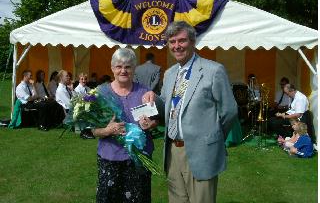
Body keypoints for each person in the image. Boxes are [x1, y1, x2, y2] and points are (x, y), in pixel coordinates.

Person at [142, 21, 238, 203]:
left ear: (193, 42)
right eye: (172, 42)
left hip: (201, 151)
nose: (177, 46)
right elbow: (167, 109)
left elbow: (229, 111)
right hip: (172, 151)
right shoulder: (170, 73)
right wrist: (154, 97)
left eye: (181, 41)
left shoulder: (213, 70)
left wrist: (213, 138)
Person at [92, 48, 158, 203]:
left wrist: (151, 124)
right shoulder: (101, 93)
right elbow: (94, 131)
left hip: (139, 159)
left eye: (128, 67)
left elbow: (156, 120)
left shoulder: (145, 92)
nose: (123, 70)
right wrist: (108, 130)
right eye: (119, 66)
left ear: (134, 68)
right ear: (112, 68)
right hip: (110, 159)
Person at [74, 72, 95, 139]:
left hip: (88, 106)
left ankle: (92, 130)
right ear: (79, 80)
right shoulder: (77, 89)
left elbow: (92, 96)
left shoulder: (88, 88)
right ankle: (86, 132)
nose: (84, 81)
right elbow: (79, 101)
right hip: (80, 108)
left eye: (85, 79)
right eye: (82, 79)